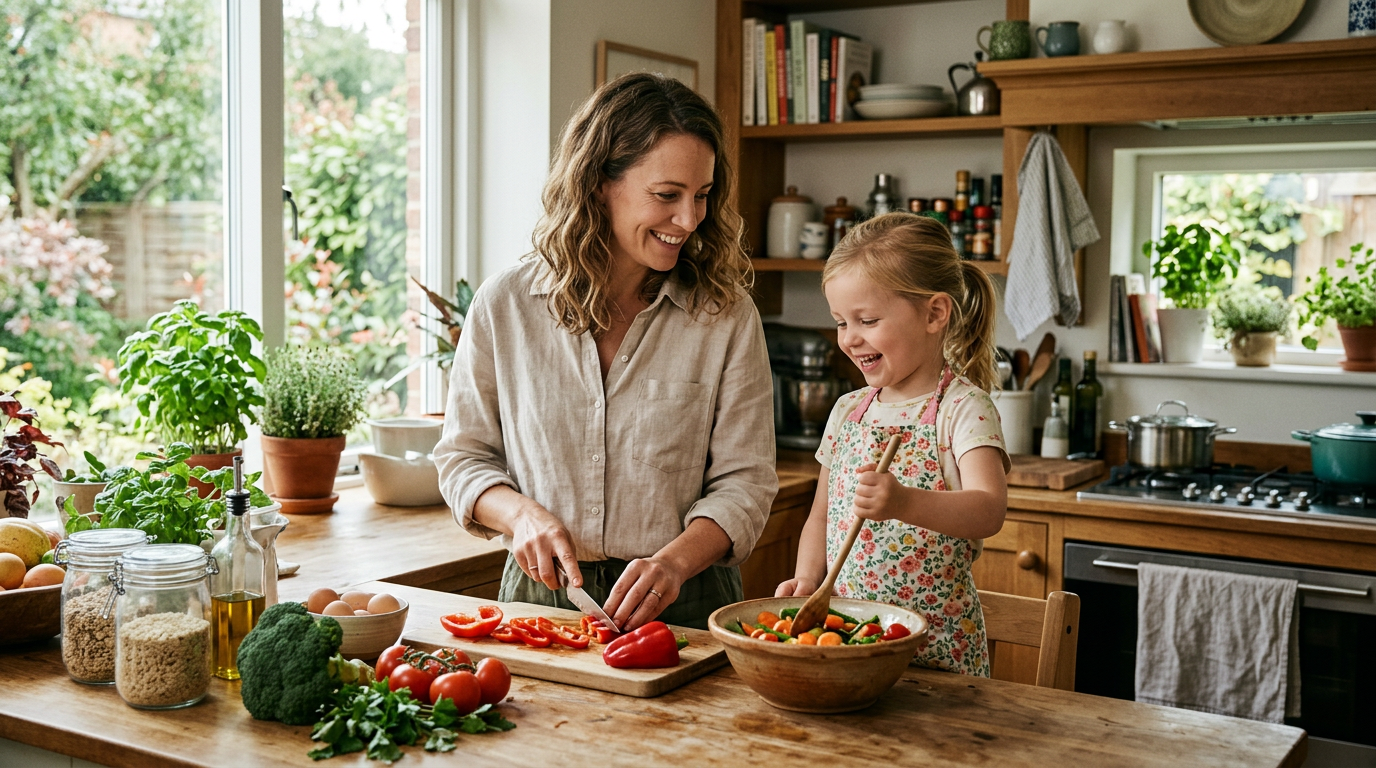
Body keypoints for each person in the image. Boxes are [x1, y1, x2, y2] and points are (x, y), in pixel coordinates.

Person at [434, 73, 777, 632]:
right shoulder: (506, 305)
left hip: (684, 601)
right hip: (540, 602)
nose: (689, 220)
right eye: (667, 195)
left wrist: (674, 562)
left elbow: (747, 480)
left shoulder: (725, 316)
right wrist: (520, 516)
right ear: (598, 183)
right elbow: (462, 458)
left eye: (702, 196)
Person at [775, 212, 1009, 675]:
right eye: (841, 322)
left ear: (934, 313)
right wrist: (807, 578)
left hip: (937, 655)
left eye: (867, 319)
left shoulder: (963, 409)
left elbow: (989, 509)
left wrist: (903, 500)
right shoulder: (848, 410)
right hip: (852, 643)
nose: (850, 338)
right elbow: (822, 515)